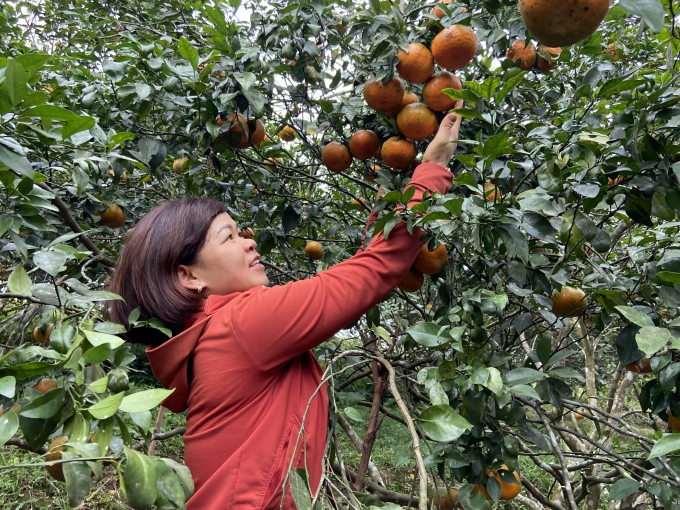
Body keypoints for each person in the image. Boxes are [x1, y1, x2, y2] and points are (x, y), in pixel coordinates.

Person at [108, 102, 464, 510]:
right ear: (190, 276)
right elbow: (369, 274)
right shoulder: (241, 324)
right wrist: (434, 166)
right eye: (229, 238)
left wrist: (386, 210)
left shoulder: (206, 339)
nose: (249, 240)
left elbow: (355, 275)